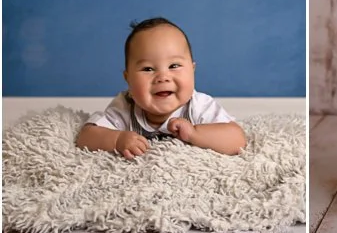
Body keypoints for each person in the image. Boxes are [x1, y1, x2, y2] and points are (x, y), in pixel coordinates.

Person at [76, 18, 246, 159]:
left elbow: (237, 138)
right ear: (128, 79)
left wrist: (194, 133)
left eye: (174, 65)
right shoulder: (126, 106)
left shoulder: (199, 105)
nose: (163, 77)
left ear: (192, 70)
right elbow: (86, 137)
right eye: (148, 69)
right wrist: (117, 139)